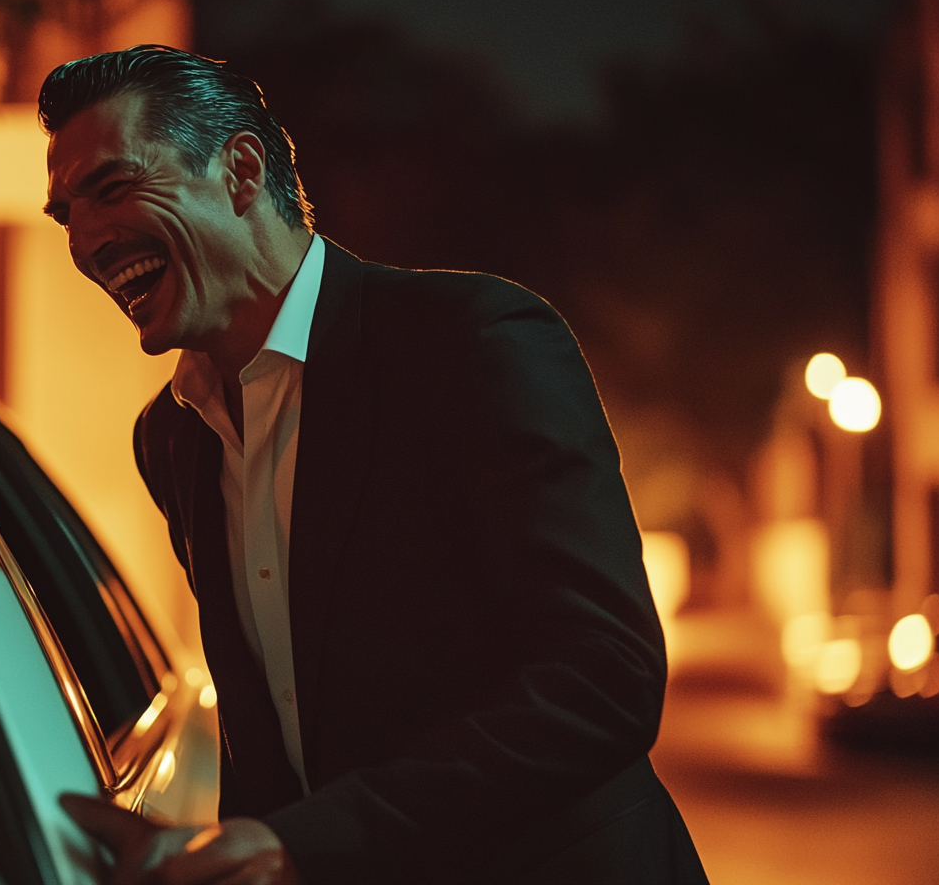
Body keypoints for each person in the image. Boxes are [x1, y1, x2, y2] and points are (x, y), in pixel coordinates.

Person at [39, 45, 707, 885]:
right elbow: (271, 740)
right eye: (66, 214)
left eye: (113, 188)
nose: (89, 239)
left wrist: (304, 845)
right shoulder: (171, 438)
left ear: (241, 171)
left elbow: (605, 677)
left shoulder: (473, 343)